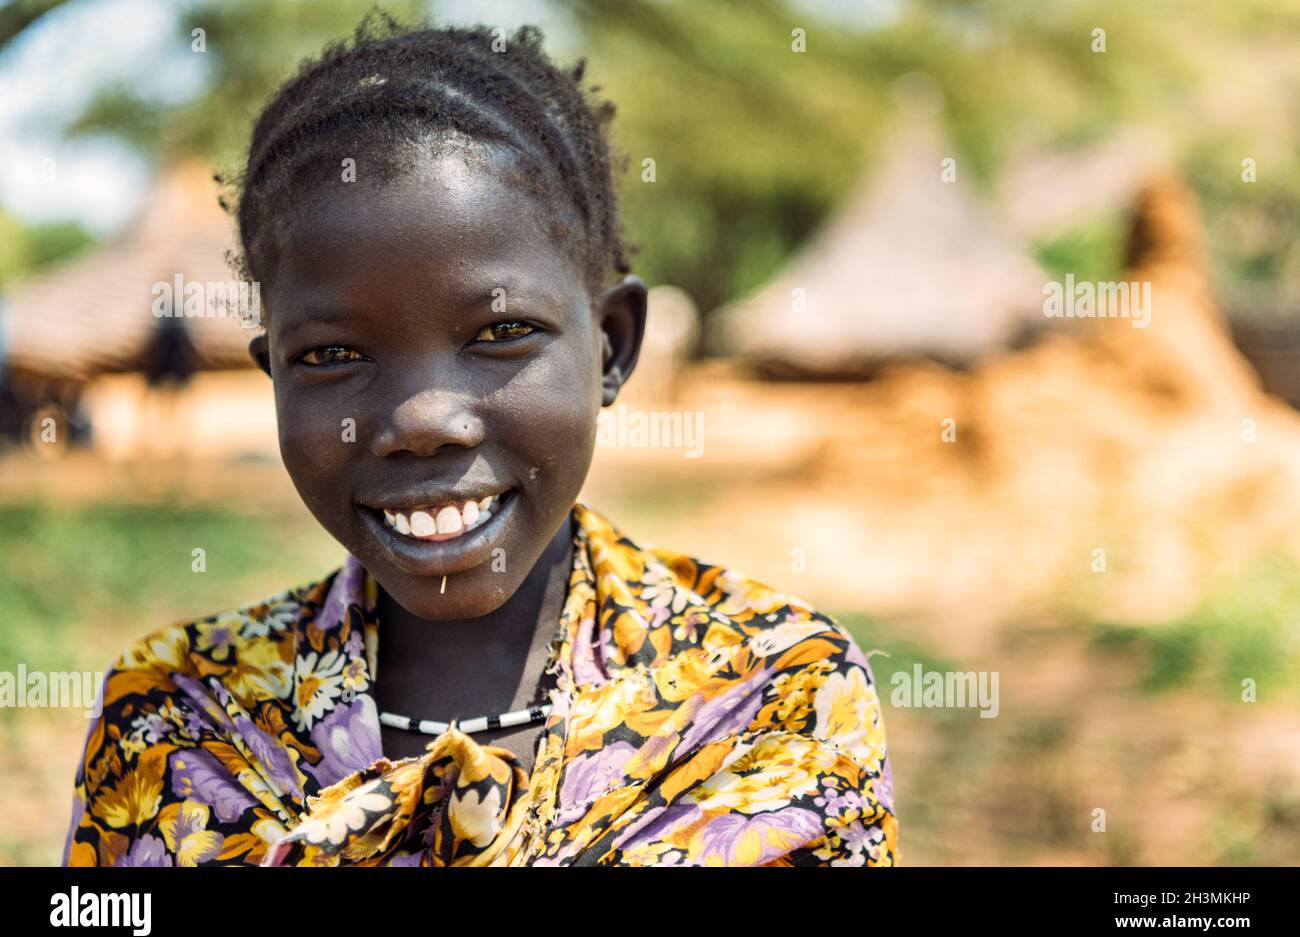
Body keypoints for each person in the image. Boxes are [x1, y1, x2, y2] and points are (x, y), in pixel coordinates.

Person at [61, 14, 897, 867]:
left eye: (499, 334)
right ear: (274, 375)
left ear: (610, 346)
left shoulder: (771, 693)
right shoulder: (179, 719)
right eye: (333, 354)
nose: (423, 422)